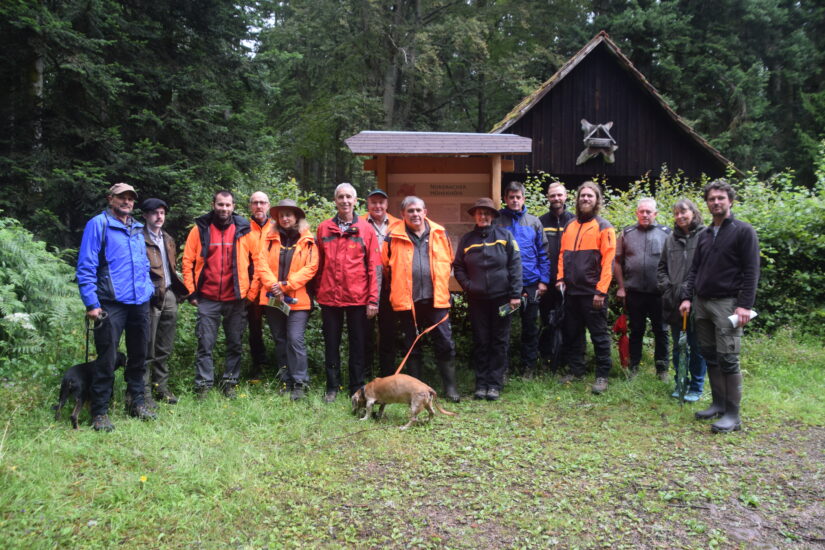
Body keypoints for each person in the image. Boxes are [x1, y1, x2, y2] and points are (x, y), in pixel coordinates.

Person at [680, 179, 759, 433]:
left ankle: (733, 416)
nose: (716, 202)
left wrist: (744, 305)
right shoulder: (704, 235)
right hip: (702, 304)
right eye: (711, 199)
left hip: (727, 304)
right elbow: (694, 270)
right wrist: (687, 298)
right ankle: (718, 404)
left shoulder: (743, 231)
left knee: (728, 358)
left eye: (720, 198)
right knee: (710, 355)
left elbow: (751, 271)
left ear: (730, 201)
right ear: (706, 203)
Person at [76, 183, 156, 431]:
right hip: (110, 303)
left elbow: (142, 263)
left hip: (139, 302)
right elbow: (86, 265)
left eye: (131, 198)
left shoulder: (137, 227)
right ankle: (99, 412)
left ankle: (137, 402)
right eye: (122, 197)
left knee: (139, 355)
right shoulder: (98, 225)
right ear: (110, 199)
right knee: (107, 358)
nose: (127, 202)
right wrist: (91, 303)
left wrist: (148, 289)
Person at [382, 196, 460, 402]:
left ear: (425, 212)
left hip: (437, 300)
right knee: (411, 347)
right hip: (408, 302)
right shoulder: (392, 237)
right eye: (410, 211)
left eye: (418, 210)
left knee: (445, 343)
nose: (415, 214)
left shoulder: (440, 233)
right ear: (403, 214)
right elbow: (386, 268)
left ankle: (450, 388)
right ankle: (416, 392)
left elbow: (449, 261)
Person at [182, 190, 256, 399]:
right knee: (205, 344)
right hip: (207, 297)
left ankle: (230, 383)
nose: (224, 208)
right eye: (220, 204)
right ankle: (203, 385)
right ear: (213, 204)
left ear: (234, 206)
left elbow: (258, 262)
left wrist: (251, 294)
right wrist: (191, 292)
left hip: (236, 298)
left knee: (235, 343)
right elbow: (187, 261)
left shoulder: (244, 229)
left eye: (228, 205)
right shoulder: (200, 229)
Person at [315, 183, 380, 402]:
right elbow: (317, 264)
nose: (345, 201)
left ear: (355, 200)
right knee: (331, 344)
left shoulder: (366, 229)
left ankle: (357, 387)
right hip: (329, 298)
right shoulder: (323, 228)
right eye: (341, 197)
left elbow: (374, 267)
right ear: (335, 201)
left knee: (358, 345)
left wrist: (373, 299)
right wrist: (318, 291)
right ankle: (332, 387)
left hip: (358, 298)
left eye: (348, 197)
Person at [454, 198, 522, 401]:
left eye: (486, 213)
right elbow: (458, 267)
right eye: (479, 213)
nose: (482, 216)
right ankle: (481, 384)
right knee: (481, 341)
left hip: (502, 299)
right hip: (477, 300)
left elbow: (515, 265)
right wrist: (468, 285)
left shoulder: (505, 236)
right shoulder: (467, 240)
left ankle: (494, 384)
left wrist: (515, 294)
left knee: (499, 341)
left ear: (492, 216)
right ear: (475, 216)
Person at [556, 181, 616, 394]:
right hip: (571, 292)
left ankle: (602, 375)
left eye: (590, 196)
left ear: (597, 200)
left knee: (599, 335)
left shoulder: (604, 226)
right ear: (577, 199)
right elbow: (562, 255)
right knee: (573, 333)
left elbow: (609, 261)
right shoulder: (570, 225)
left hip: (593, 293)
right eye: (583, 195)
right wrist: (560, 278)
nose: (585, 199)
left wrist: (601, 291)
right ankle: (576, 370)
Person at [256, 199, 318, 401]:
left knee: (294, 339)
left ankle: (300, 382)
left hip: (298, 300)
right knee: (280, 339)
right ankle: (286, 380)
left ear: (296, 217)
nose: (284, 218)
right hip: (273, 298)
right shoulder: (268, 238)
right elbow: (261, 264)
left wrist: (285, 286)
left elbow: (311, 268)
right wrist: (274, 286)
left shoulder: (308, 240)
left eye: (288, 215)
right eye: (281, 215)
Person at [613, 198, 672, 380]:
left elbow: (674, 262)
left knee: (661, 330)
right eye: (642, 211)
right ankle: (633, 367)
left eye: (649, 212)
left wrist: (670, 287)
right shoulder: (627, 233)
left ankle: (662, 369)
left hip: (659, 292)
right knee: (636, 330)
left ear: (656, 214)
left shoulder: (667, 233)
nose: (645, 215)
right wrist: (621, 287)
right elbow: (617, 261)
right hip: (634, 292)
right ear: (637, 213)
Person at [496, 181, 550, 375]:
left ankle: (529, 367)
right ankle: (502, 368)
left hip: (531, 284)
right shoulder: (497, 221)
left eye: (518, 197)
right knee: (502, 328)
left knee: (530, 327)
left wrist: (543, 281)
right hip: (504, 285)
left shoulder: (534, 222)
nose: (515, 200)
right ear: (505, 199)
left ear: (524, 199)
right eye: (511, 197)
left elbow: (543, 253)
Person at [658, 199, 708, 403]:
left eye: (683, 212)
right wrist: (667, 288)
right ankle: (681, 383)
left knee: (697, 346)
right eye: (676, 213)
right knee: (679, 346)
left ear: (693, 212)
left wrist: (691, 294)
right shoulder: (670, 239)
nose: (679, 216)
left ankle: (696, 386)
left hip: (697, 300)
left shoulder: (705, 235)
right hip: (673, 301)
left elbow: (707, 268)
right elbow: (661, 267)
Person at [141, 198, 188, 407]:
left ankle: (161, 387)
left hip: (168, 294)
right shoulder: (138, 238)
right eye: (154, 213)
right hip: (150, 297)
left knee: (164, 346)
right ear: (145, 215)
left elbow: (171, 267)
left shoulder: (167, 238)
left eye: (162, 213)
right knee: (147, 346)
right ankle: (143, 392)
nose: (159, 217)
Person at [361, 189, 401, 377]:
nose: (377, 206)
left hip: (389, 284)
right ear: (367, 204)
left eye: (381, 202)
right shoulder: (359, 222)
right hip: (364, 283)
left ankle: (387, 375)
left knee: (388, 331)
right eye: (373, 202)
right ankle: (365, 373)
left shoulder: (398, 224)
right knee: (364, 331)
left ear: (387, 204)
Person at [538, 181, 575, 372]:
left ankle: (567, 360)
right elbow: (537, 252)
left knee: (570, 322)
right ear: (548, 197)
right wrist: (541, 280)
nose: (556, 198)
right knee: (547, 321)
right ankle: (546, 359)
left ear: (566, 196)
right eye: (553, 195)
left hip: (570, 283)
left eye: (559, 195)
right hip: (547, 281)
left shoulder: (575, 221)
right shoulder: (540, 222)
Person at [246, 191, 270, 379]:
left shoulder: (277, 227)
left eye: (262, 202)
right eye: (255, 203)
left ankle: (284, 365)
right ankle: (258, 365)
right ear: (250, 206)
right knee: (255, 329)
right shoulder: (243, 228)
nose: (259, 206)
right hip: (250, 288)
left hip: (273, 288)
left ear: (268, 205)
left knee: (280, 327)